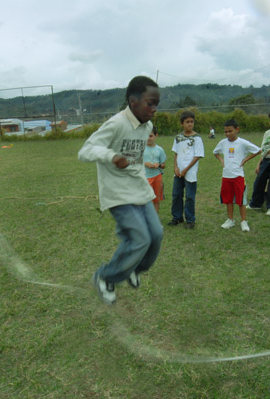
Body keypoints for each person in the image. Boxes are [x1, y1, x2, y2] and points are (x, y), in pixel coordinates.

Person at [78, 76, 163, 305]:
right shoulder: (117, 123)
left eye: (156, 104)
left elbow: (136, 157)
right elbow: (85, 151)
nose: (154, 109)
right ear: (133, 101)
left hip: (139, 187)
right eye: (150, 103)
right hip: (117, 192)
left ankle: (132, 267)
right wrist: (112, 156)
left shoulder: (148, 127)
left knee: (156, 235)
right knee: (139, 238)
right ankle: (105, 277)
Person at [213, 119, 261, 231]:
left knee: (241, 199)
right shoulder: (222, 143)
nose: (228, 134)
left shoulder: (243, 143)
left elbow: (258, 150)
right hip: (226, 176)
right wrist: (221, 160)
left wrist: (245, 159)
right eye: (226, 132)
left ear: (237, 129)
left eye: (230, 131)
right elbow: (216, 152)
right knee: (228, 199)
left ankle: (244, 221)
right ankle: (230, 220)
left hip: (238, 176)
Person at [168, 110, 205, 229]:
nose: (190, 124)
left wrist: (186, 169)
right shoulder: (178, 137)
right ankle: (177, 217)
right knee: (176, 195)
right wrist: (176, 167)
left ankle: (190, 219)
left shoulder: (197, 138)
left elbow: (197, 155)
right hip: (178, 172)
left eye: (192, 122)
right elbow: (176, 153)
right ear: (181, 123)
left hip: (190, 172)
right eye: (187, 122)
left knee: (189, 196)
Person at [143, 126, 167, 211]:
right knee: (146, 200)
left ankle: (155, 219)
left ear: (156, 135)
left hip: (157, 176)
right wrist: (145, 163)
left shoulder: (160, 150)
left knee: (156, 199)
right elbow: (135, 163)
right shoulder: (141, 149)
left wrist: (159, 165)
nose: (148, 138)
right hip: (145, 177)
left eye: (150, 136)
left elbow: (163, 165)